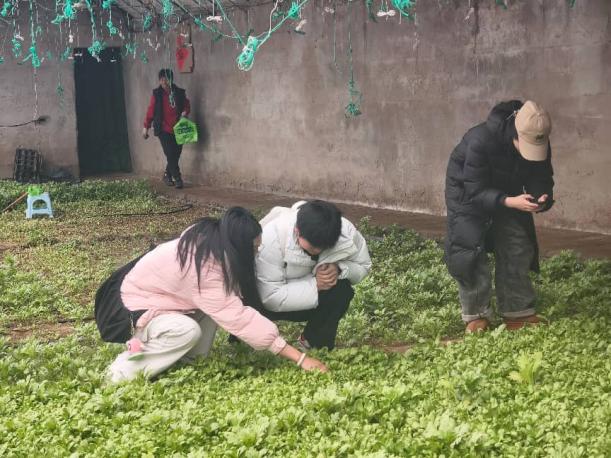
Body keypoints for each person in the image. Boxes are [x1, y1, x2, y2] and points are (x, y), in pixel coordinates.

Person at [94, 207, 328, 382]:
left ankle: (185, 360)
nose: (257, 252)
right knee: (187, 330)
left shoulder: (212, 243)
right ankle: (120, 372)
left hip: (160, 302)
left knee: (206, 323)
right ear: (239, 246)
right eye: (254, 248)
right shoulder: (204, 270)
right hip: (132, 312)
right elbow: (239, 317)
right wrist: (301, 359)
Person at [444, 100, 555, 333]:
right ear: (514, 134)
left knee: (517, 244)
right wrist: (509, 201)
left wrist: (541, 197)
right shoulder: (480, 141)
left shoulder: (538, 138)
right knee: (470, 249)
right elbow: (475, 190)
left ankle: (517, 311)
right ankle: (476, 314)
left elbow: (541, 176)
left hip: (509, 192)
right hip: (467, 192)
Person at [255, 200, 371, 350]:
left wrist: (340, 268)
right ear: (297, 231)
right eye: (312, 246)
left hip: (305, 298)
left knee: (341, 290)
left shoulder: (345, 232)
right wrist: (316, 285)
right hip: (263, 301)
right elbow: (270, 296)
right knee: (245, 296)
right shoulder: (271, 237)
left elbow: (364, 265)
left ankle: (314, 344)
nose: (318, 250)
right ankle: (244, 341)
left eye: (325, 247)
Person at [142, 68, 190, 189]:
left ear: (171, 79)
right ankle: (178, 178)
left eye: (167, 79)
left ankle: (167, 175)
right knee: (170, 153)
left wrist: (185, 112)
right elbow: (151, 111)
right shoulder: (157, 94)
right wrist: (146, 127)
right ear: (160, 81)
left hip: (178, 128)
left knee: (176, 154)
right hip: (163, 129)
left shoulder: (179, 92)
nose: (164, 81)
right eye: (162, 79)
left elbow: (186, 105)